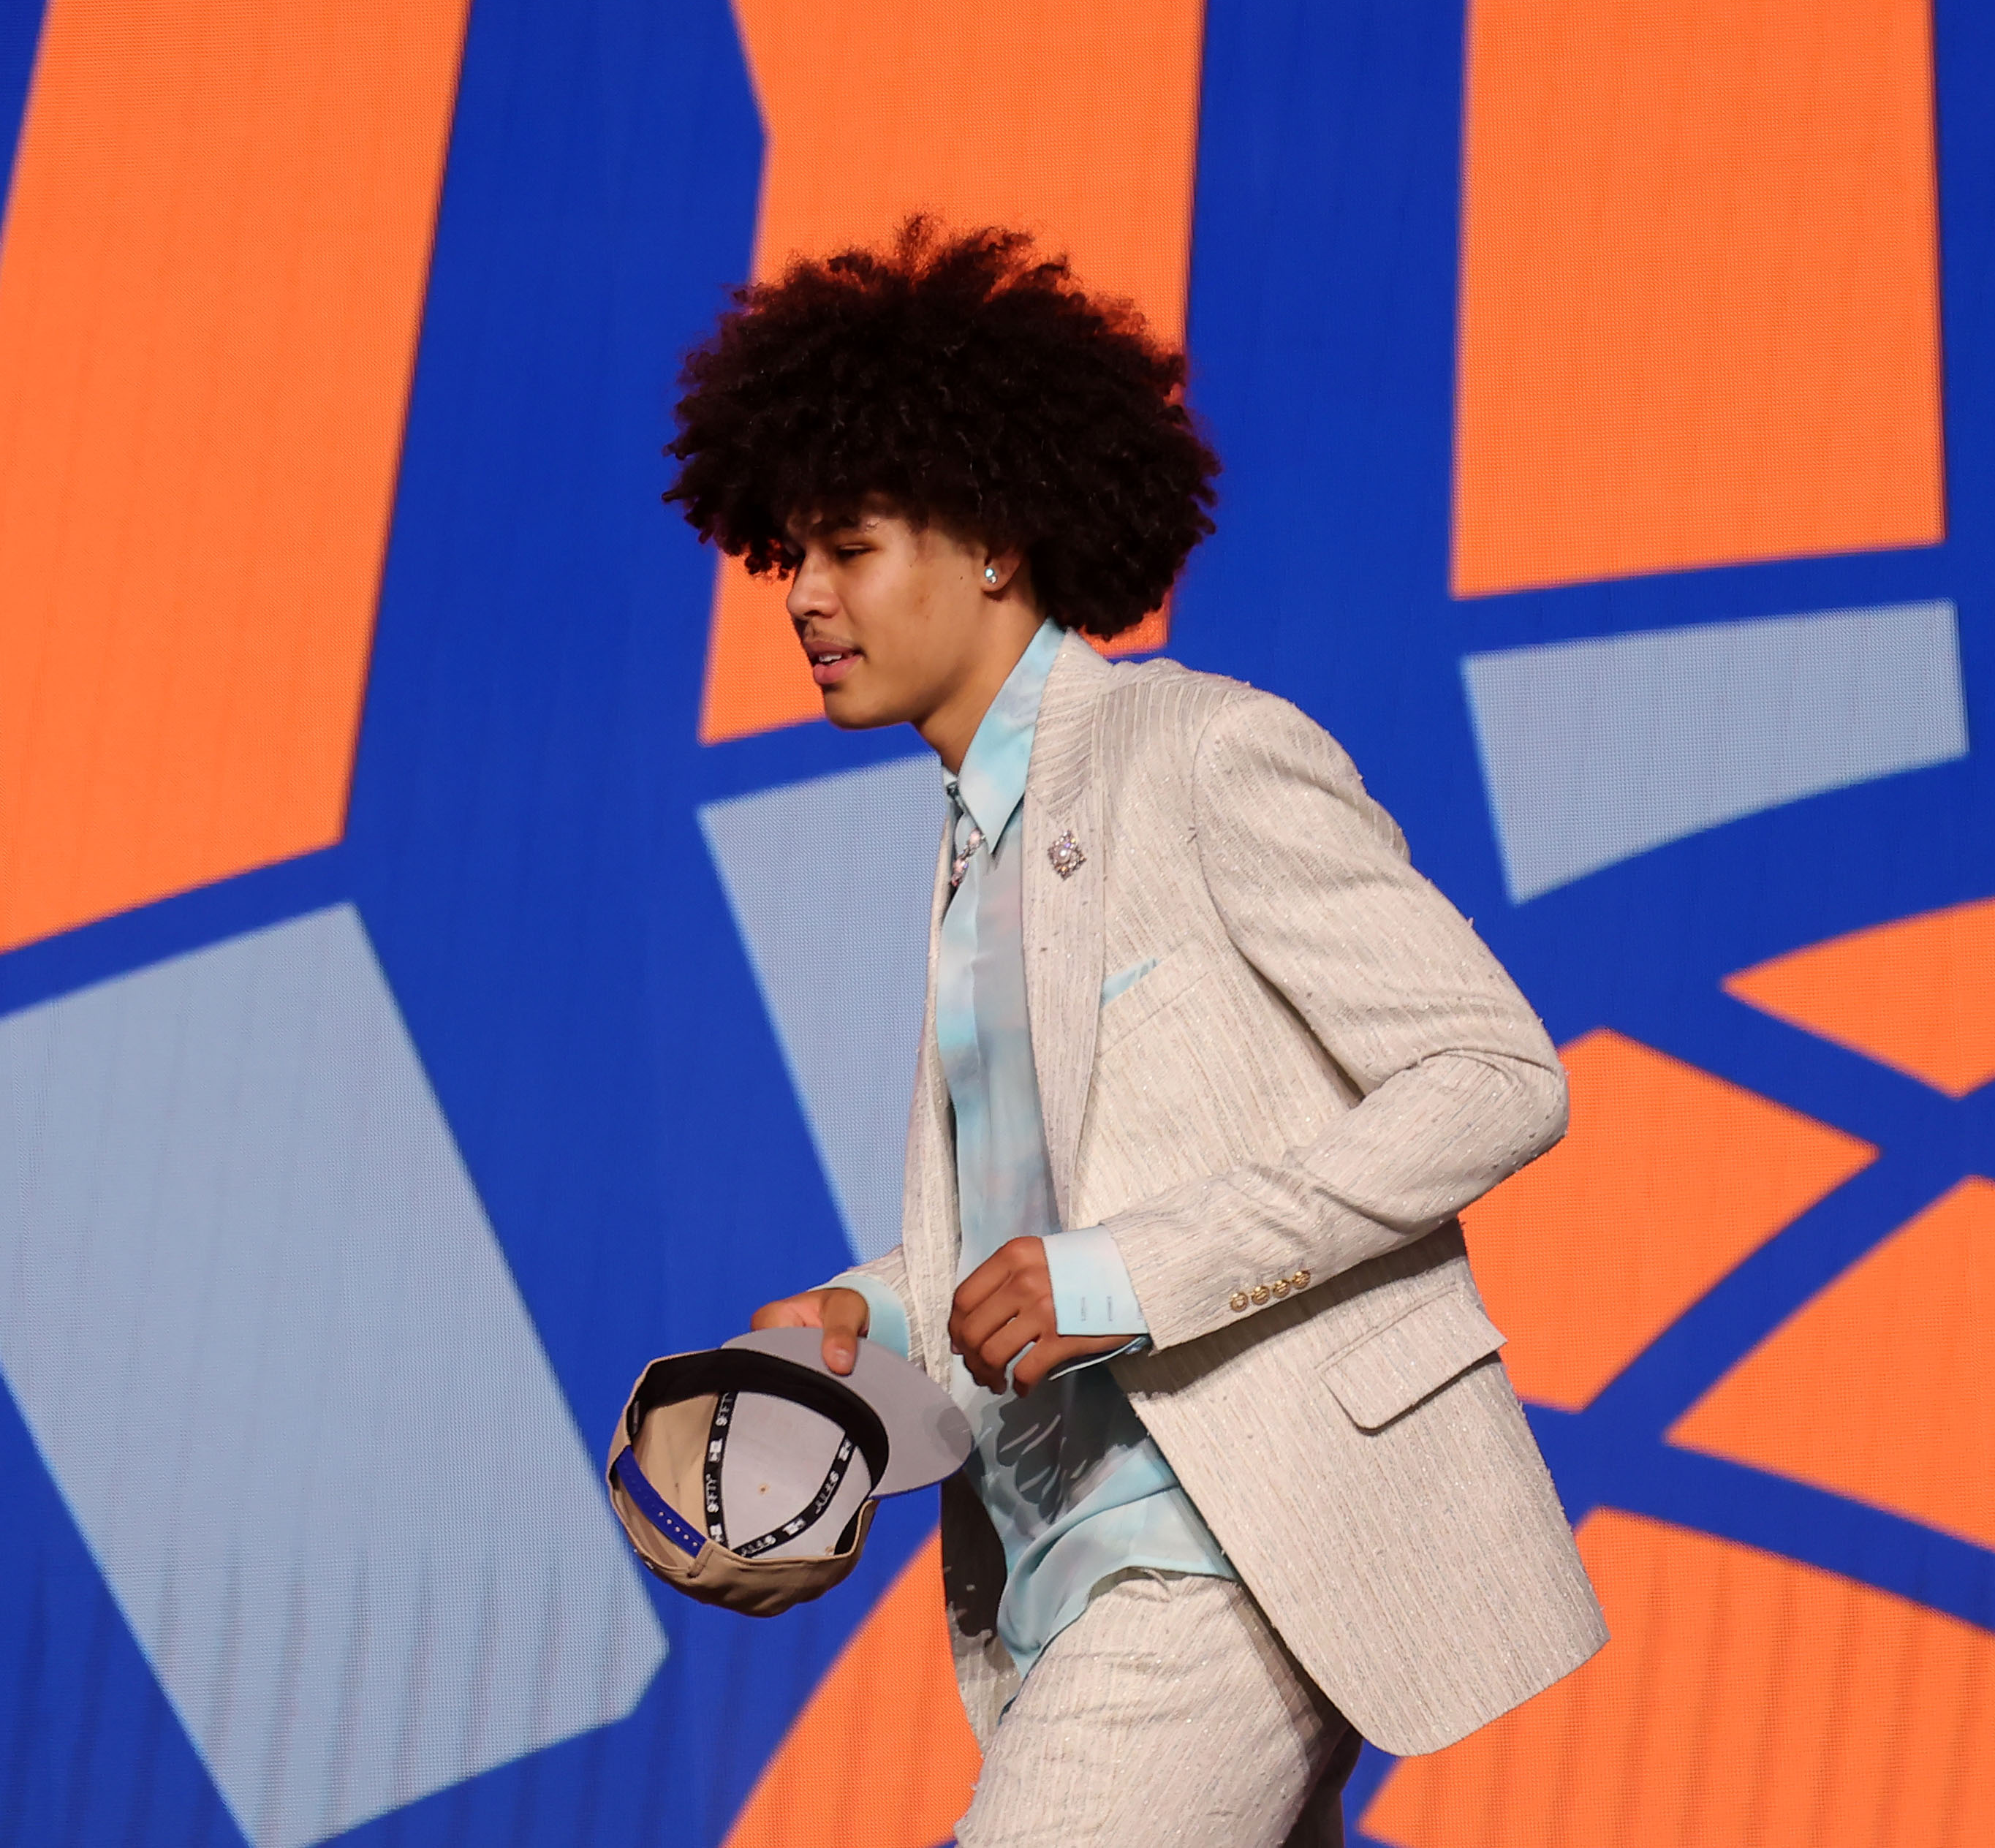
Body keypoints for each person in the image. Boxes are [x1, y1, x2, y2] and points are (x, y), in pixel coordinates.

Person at [662, 219, 1604, 1847]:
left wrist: (1120, 1282)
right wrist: (860, 1310)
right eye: (785, 556)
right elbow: (1034, 1244)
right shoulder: (972, 849)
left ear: (996, 547)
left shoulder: (1198, 754)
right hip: (1056, 1579)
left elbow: (1494, 1077)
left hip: (1229, 1546)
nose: (801, 599)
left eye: (849, 546)